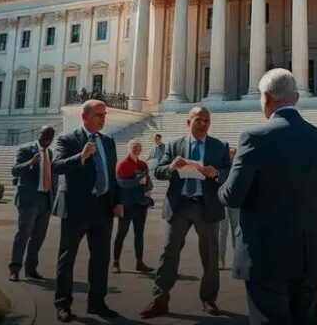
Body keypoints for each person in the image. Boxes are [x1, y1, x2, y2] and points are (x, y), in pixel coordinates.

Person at [218, 69, 317, 325]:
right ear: (296, 98)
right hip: (309, 252)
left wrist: (218, 180)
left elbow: (232, 197)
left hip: (265, 254)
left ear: (266, 97)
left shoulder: (254, 137)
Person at [140, 106, 231, 318]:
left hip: (206, 206)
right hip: (179, 205)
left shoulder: (220, 146)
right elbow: (158, 172)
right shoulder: (174, 145)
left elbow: (229, 172)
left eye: (207, 121)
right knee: (169, 252)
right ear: (188, 122)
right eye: (199, 120)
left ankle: (209, 299)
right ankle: (159, 300)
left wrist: (217, 172)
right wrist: (171, 167)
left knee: (210, 255)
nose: (203, 124)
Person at [52, 100, 121, 322]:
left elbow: (112, 174)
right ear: (84, 117)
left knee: (101, 258)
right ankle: (63, 304)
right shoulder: (68, 139)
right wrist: (81, 157)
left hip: (103, 207)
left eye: (104, 115)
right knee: (67, 257)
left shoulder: (108, 141)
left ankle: (97, 303)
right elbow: (57, 166)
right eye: (98, 115)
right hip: (77, 207)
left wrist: (118, 201)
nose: (103, 119)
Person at [8, 125, 56, 282]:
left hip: (45, 199)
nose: (47, 140)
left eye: (50, 138)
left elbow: (52, 175)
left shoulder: (50, 153)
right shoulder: (25, 150)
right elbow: (15, 171)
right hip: (29, 200)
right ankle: (14, 269)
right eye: (45, 136)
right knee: (23, 234)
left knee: (38, 237)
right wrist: (31, 162)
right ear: (38, 134)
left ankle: (31, 269)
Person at [113, 139, 153, 274]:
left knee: (139, 234)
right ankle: (115, 263)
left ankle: (139, 262)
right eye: (134, 147)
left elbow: (147, 182)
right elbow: (121, 184)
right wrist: (137, 180)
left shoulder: (143, 164)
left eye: (139, 147)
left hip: (141, 204)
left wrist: (147, 191)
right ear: (128, 148)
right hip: (126, 204)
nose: (137, 149)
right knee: (121, 233)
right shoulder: (122, 163)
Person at [218, 146, 241, 271]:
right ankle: (220, 258)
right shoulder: (221, 167)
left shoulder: (238, 167)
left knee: (236, 231)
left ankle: (238, 260)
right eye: (230, 153)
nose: (231, 155)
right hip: (222, 203)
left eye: (233, 153)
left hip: (235, 203)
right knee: (222, 230)